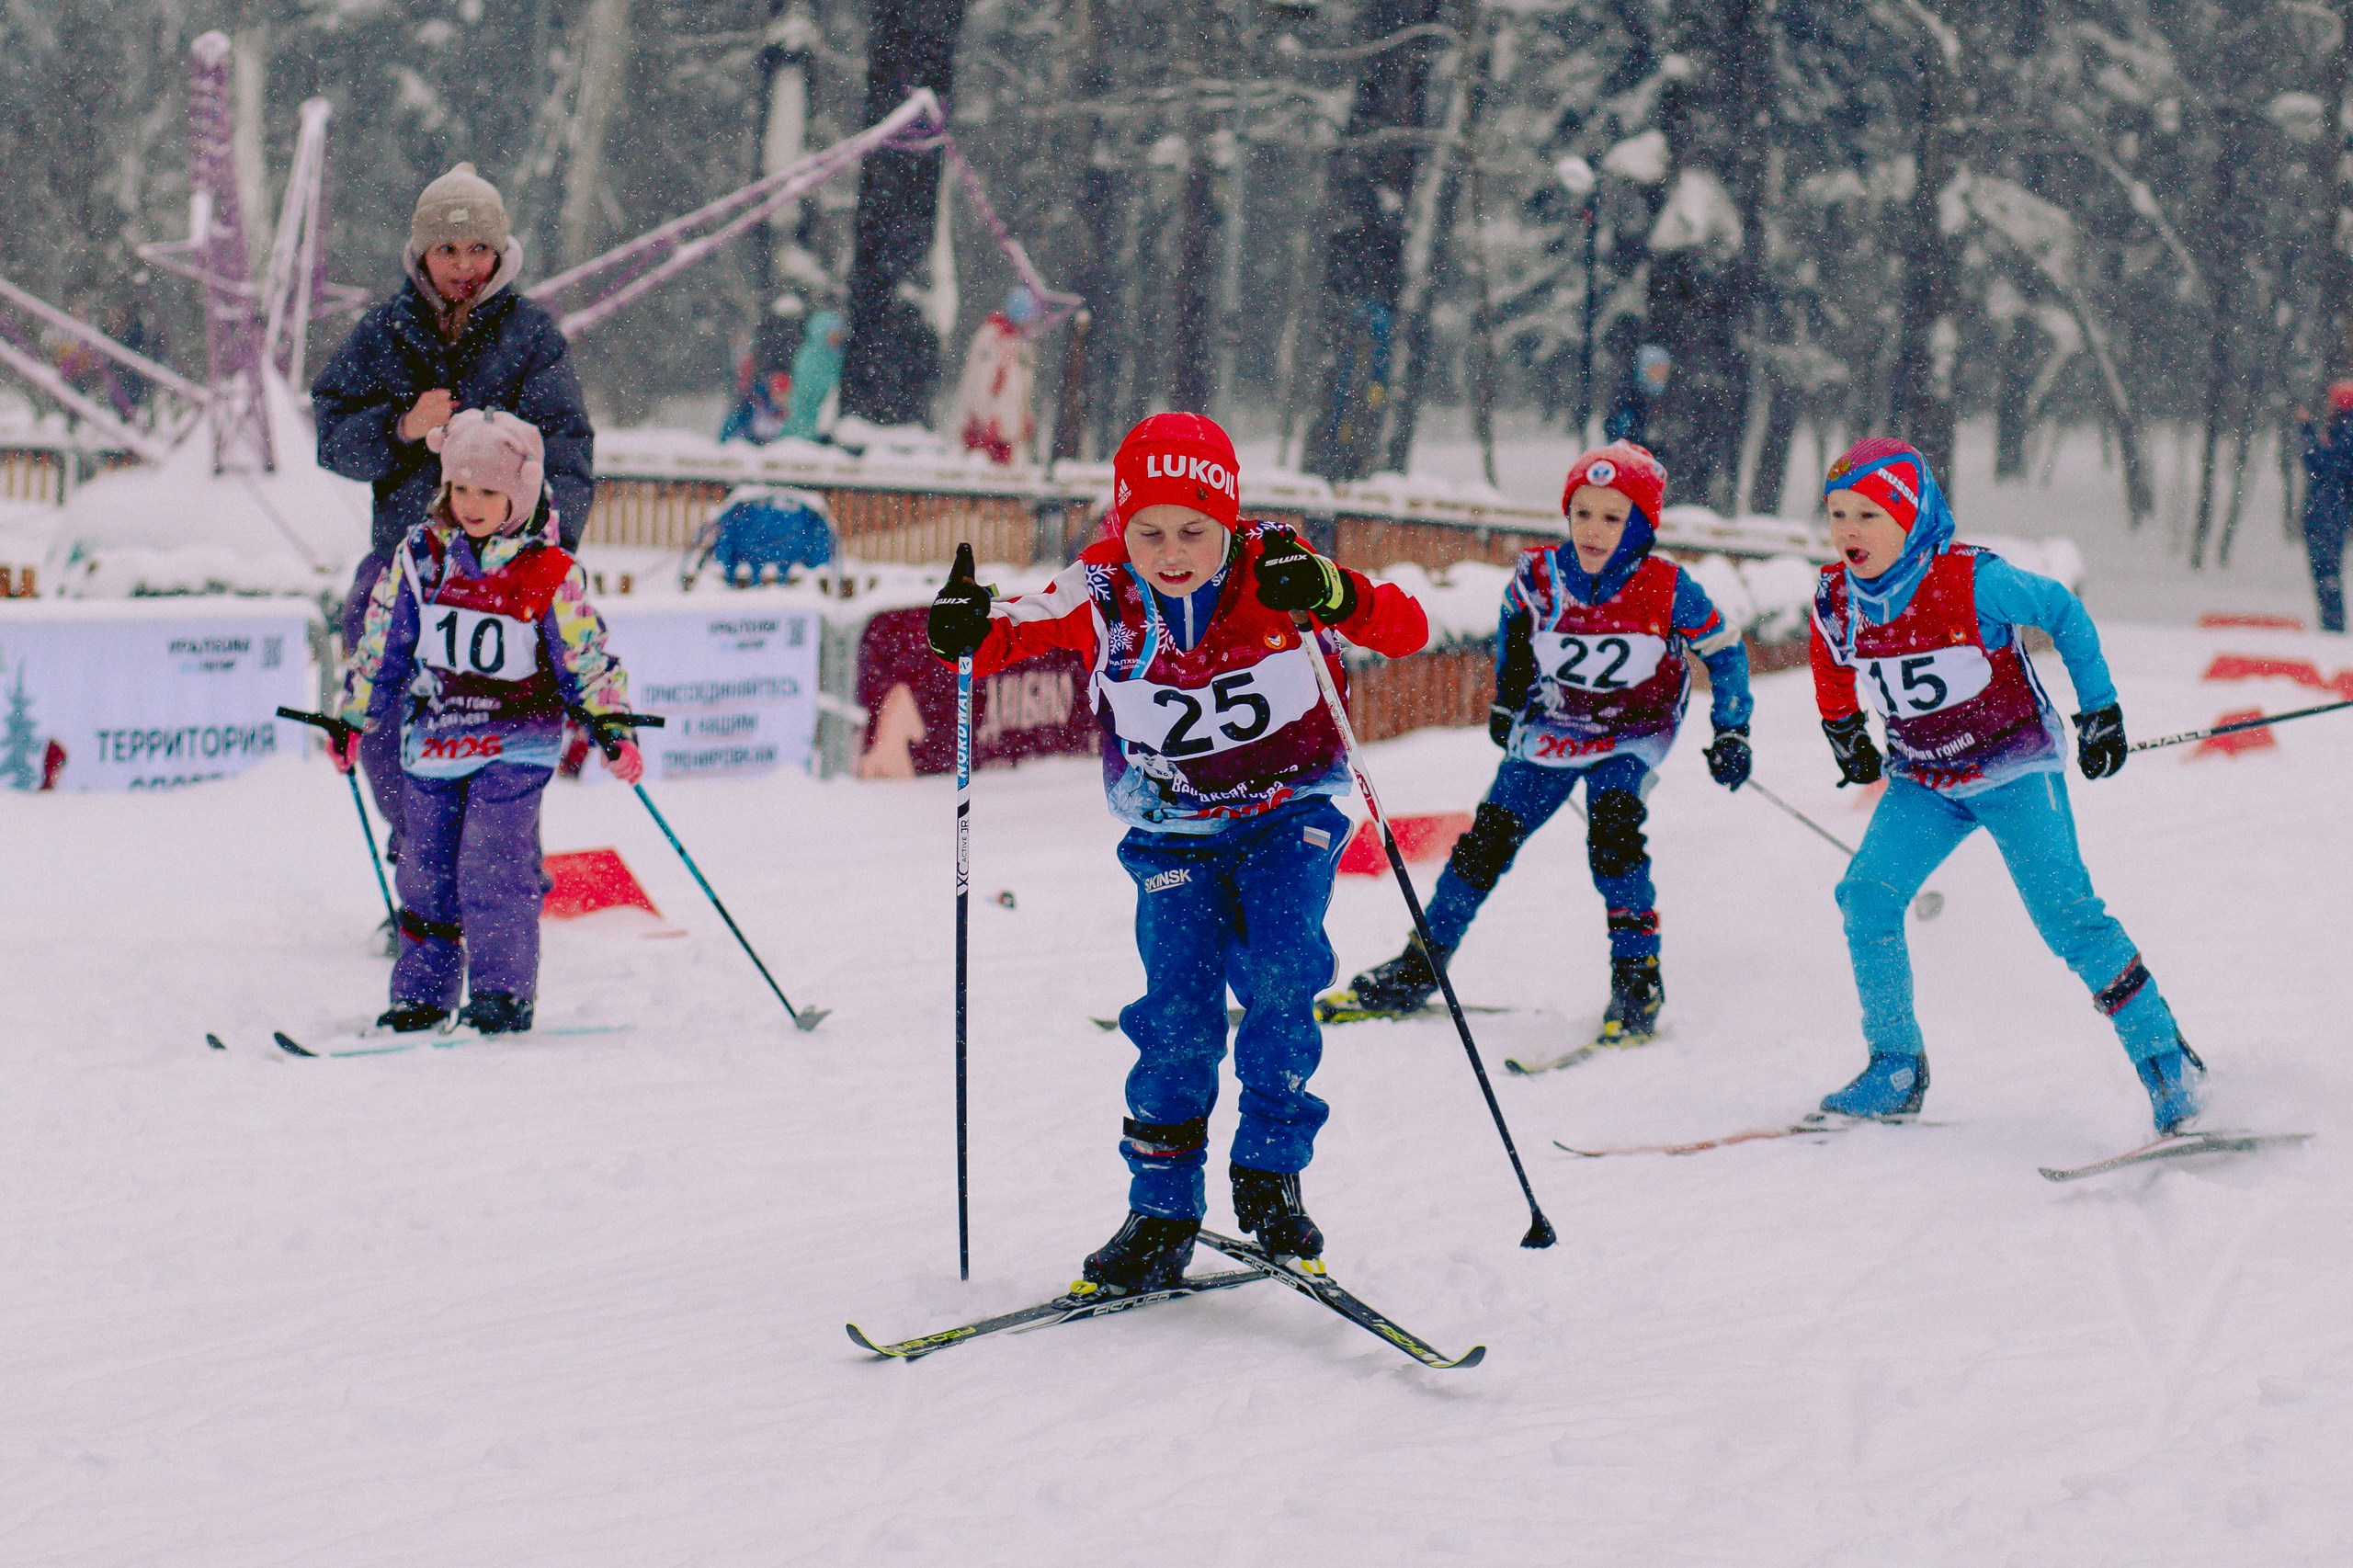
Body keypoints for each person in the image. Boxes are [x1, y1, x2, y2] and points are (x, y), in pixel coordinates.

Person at [925, 413, 1429, 1294]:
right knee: (1177, 1018)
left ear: (1229, 520)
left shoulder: (1279, 567)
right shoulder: (1105, 588)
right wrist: (964, 623)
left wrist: (1333, 591)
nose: (1169, 551)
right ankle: (1160, 1210)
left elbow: (1406, 629)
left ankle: (1269, 1174)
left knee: (1281, 977)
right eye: (1147, 530)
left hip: (1291, 812)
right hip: (1172, 831)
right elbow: (1009, 628)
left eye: (1194, 531)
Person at [1806, 437, 2204, 1133]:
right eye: (1837, 513)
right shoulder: (1839, 598)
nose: (1847, 531)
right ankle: (1895, 1067)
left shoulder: (1972, 581)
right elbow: (1830, 659)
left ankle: (2169, 1065)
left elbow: (2064, 614)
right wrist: (1844, 729)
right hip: (1925, 781)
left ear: (1909, 516)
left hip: (2015, 770)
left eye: (1868, 514)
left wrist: (2100, 711)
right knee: (1865, 896)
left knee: (2068, 920)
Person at [1324, 441, 1754, 1047]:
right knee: (1486, 843)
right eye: (1582, 513)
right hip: (1555, 726)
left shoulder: (1666, 586)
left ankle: (1637, 976)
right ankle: (1420, 964)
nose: (1593, 530)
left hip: (1634, 731)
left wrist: (1732, 727)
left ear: (1641, 525)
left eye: (1613, 516)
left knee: (1614, 831)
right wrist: (1509, 695)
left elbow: (1725, 650)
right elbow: (1516, 627)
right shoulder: (1540, 574)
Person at [313, 162, 596, 869]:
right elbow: (332, 433)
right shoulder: (383, 332)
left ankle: (497, 869)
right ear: (421, 253)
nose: (464, 266)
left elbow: (567, 450)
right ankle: (423, 857)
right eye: (448, 250)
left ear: (501, 254)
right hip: (406, 560)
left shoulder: (530, 335)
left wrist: (546, 548)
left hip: (505, 569)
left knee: (504, 728)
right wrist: (402, 426)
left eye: (478, 250)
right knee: (382, 709)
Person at [335, 411, 639, 1037]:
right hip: (437, 738)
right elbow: (382, 644)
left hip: (516, 742)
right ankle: (423, 993)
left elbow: (584, 656)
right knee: (425, 866)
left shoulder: (547, 571)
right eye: (460, 489)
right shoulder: (422, 558)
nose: (470, 505)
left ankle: (502, 993)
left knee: (493, 862)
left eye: (488, 491)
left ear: (519, 494)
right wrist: (352, 718)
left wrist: (611, 724)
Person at [945, 288, 1040, 464]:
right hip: (986, 429)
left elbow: (1021, 388)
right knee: (979, 473)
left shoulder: (1021, 343)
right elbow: (980, 381)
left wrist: (1024, 417)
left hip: (1007, 433)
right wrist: (985, 417)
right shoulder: (992, 337)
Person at [2298, 381, 2353, 633]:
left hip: (2328, 515)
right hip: (2330, 514)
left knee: (2326, 574)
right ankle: (2332, 627)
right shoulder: (2341, 430)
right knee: (2326, 575)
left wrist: (2306, 429)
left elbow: (2318, 460)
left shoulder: (2346, 430)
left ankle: (2333, 629)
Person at [1604, 344, 1672, 447]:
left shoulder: (1666, 398)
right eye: (1655, 369)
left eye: (1664, 370)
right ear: (1643, 369)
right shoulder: (1631, 398)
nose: (1660, 375)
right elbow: (1619, 438)